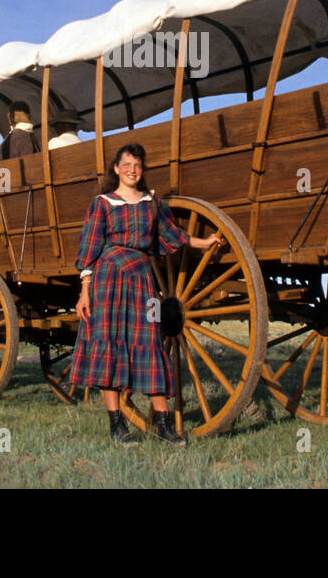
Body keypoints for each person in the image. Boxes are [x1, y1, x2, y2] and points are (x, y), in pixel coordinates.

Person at [71, 143, 223, 445]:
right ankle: (116, 425)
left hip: (142, 279)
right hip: (107, 278)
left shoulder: (151, 202)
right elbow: (89, 247)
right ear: (116, 169)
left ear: (142, 170)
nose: (132, 170)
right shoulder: (102, 204)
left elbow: (172, 233)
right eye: (126, 165)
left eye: (137, 166)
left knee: (150, 342)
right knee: (108, 347)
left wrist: (204, 243)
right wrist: (84, 292)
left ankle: (163, 426)